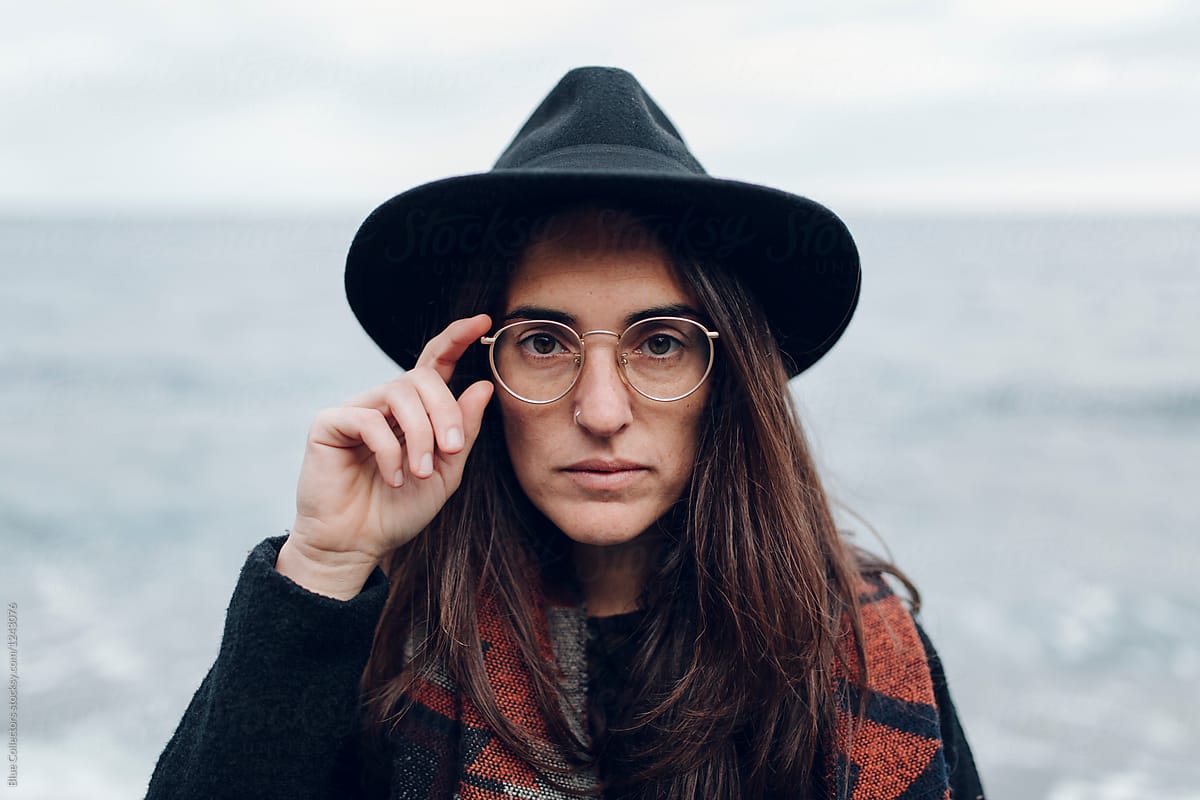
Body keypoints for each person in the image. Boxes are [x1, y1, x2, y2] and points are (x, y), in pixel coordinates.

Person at [147, 67, 984, 799]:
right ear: (480, 376)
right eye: (544, 343)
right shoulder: (374, 647)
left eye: (660, 343)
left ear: (729, 381)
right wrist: (322, 568)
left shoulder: (865, 652)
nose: (603, 410)